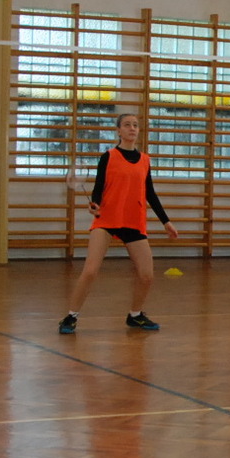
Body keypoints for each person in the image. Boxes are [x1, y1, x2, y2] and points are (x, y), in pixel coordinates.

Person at [59, 113, 180, 334]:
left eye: (135, 125)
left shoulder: (145, 160)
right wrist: (95, 203)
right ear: (118, 131)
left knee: (147, 274)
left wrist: (166, 221)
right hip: (107, 219)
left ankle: (135, 315)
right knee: (90, 271)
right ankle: (70, 317)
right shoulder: (108, 156)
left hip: (133, 221)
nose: (132, 128)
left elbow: (150, 193)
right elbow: (99, 186)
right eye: (127, 125)